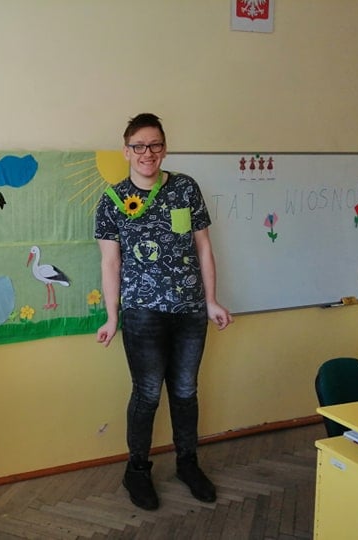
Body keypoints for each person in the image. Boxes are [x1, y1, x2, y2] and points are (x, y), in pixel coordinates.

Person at [94, 113, 233, 511]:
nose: (147, 153)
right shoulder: (112, 201)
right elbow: (110, 263)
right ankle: (137, 470)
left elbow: (203, 247)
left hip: (190, 310)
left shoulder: (186, 188)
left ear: (165, 149)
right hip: (142, 314)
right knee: (148, 394)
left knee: (186, 391)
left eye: (155, 145)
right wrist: (112, 316)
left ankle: (188, 464)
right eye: (139, 146)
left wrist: (211, 300)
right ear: (126, 151)